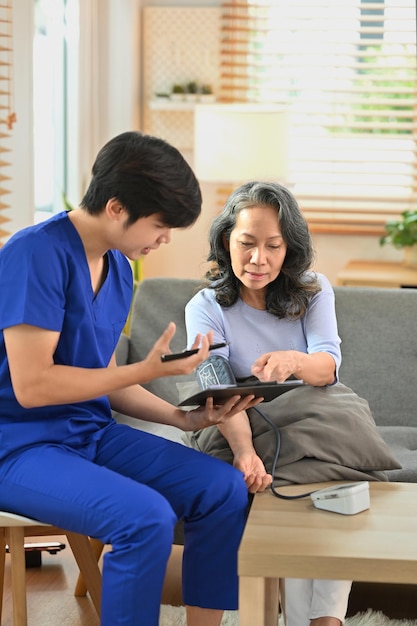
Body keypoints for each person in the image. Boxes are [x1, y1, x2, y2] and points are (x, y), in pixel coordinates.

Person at [0, 131, 261, 626]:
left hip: (89, 435)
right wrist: (143, 369)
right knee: (144, 518)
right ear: (117, 208)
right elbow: (32, 387)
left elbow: (103, 379)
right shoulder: (33, 254)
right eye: (160, 225)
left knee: (223, 488)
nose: (164, 240)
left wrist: (182, 418)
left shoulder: (120, 268)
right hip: (18, 447)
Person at [184, 181, 352, 626]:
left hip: (308, 418)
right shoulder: (206, 306)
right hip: (233, 420)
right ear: (226, 241)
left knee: (328, 481)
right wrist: (245, 451)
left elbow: (328, 369)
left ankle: (320, 622)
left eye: (273, 246)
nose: (259, 259)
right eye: (247, 243)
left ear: (288, 248)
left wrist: (295, 360)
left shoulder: (313, 290)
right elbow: (215, 389)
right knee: (300, 479)